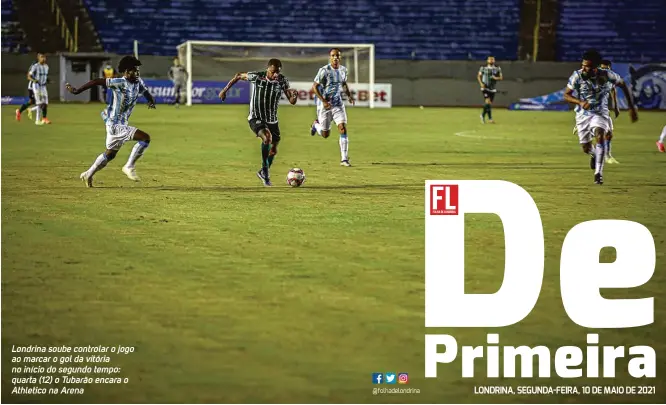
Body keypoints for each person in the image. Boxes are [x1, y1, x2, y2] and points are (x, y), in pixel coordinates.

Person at [65, 56, 157, 187]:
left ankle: (88, 174)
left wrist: (150, 100)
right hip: (115, 124)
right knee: (145, 138)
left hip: (120, 124)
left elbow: (144, 90)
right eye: (134, 70)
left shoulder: (137, 82)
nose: (137, 73)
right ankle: (129, 166)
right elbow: (97, 81)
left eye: (138, 70)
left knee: (110, 154)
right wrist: (77, 90)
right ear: (126, 71)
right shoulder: (119, 82)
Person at [563, 50, 638, 185]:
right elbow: (566, 94)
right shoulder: (577, 76)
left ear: (596, 67)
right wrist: (580, 102)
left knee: (600, 134)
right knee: (586, 147)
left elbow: (623, 85)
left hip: (600, 112)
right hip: (582, 115)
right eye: (583, 65)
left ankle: (598, 174)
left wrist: (631, 108)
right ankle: (594, 154)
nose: (585, 68)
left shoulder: (607, 75)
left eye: (588, 66)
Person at [218, 58, 298, 186]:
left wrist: (294, 96)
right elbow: (238, 76)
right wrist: (224, 90)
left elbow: (291, 101)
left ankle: (263, 172)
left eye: (277, 72)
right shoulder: (257, 77)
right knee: (267, 137)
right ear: (268, 69)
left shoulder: (282, 80)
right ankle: (265, 170)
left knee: (273, 150)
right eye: (273, 72)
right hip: (256, 116)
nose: (275, 75)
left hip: (272, 119)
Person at [309, 48, 356, 167]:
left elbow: (344, 84)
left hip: (337, 103)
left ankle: (344, 159)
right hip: (324, 106)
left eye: (337, 55)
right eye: (333, 55)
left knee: (342, 128)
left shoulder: (343, 70)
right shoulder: (324, 71)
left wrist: (349, 96)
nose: (335, 57)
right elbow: (314, 86)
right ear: (330, 57)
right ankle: (315, 125)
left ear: (340, 57)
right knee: (325, 134)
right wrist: (323, 101)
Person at [599, 59, 620, 164]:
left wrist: (616, 106)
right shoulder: (594, 77)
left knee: (609, 134)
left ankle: (607, 156)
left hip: (604, 110)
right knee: (602, 133)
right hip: (592, 110)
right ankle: (604, 156)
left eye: (606, 68)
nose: (604, 70)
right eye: (602, 68)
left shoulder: (610, 78)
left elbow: (613, 90)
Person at [15, 55, 41, 122]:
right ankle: (30, 111)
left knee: (32, 101)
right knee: (39, 102)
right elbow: (29, 76)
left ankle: (19, 111)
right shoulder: (35, 66)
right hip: (32, 87)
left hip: (35, 86)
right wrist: (35, 80)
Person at [478, 56, 503, 124]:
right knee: (488, 101)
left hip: (492, 89)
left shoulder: (497, 69)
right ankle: (487, 117)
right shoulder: (483, 68)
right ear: (487, 60)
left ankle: (485, 116)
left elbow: (501, 77)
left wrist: (495, 78)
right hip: (485, 87)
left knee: (489, 104)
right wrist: (481, 83)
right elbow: (479, 76)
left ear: (494, 61)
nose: (491, 60)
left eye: (492, 59)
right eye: (490, 59)